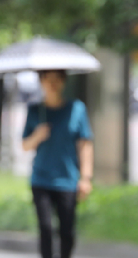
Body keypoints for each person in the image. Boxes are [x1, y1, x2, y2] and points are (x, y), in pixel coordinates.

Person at [22, 69, 94, 258]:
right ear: (41, 82)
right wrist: (37, 135)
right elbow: (25, 145)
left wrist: (86, 178)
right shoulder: (35, 110)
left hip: (68, 179)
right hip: (41, 179)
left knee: (67, 231)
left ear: (63, 82)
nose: (52, 84)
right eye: (48, 79)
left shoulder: (76, 109)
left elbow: (85, 144)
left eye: (57, 79)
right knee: (45, 228)